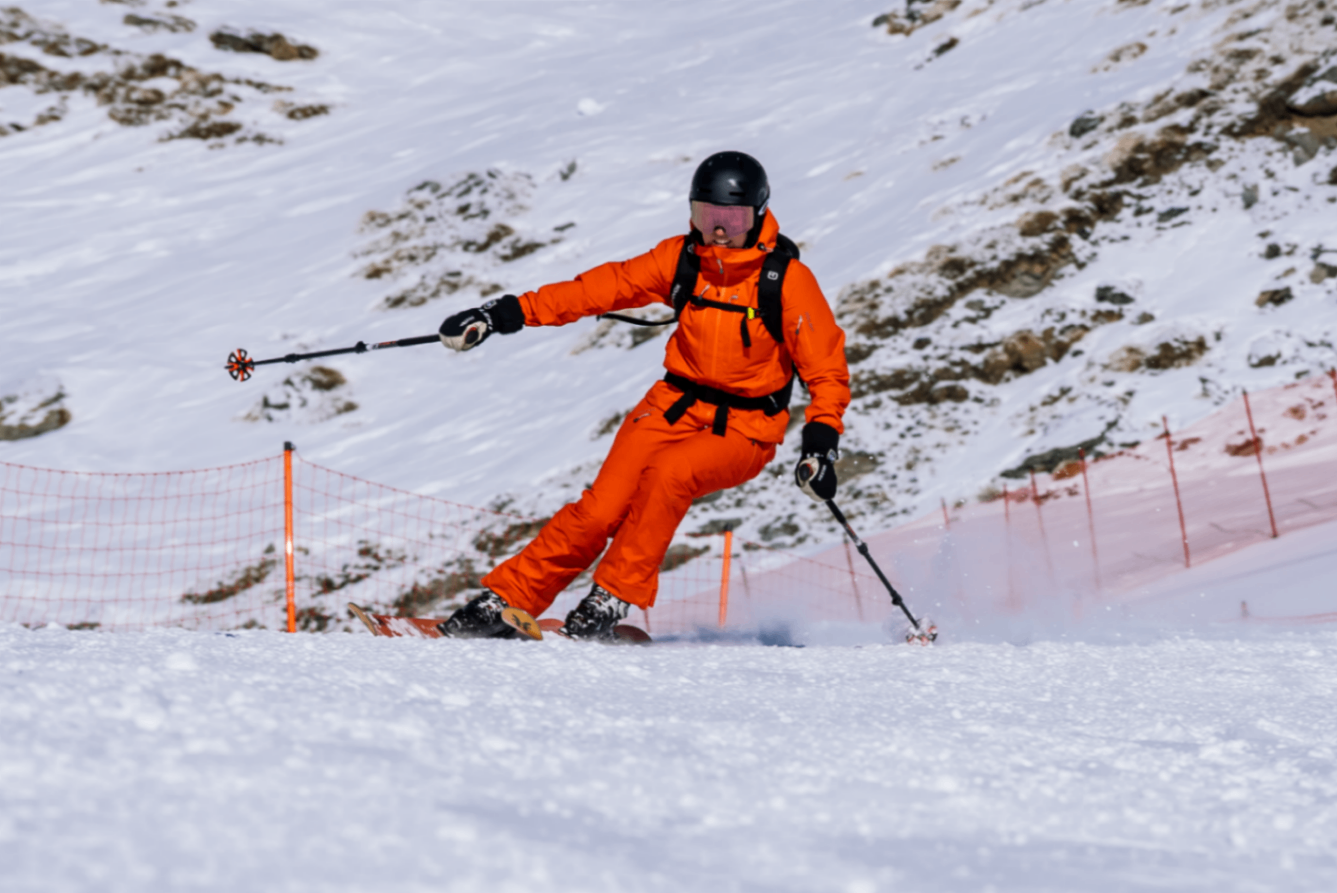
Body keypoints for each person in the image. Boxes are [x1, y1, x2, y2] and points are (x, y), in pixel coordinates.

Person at [435, 151, 850, 639]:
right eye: (706, 215)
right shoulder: (681, 260)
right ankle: (507, 599)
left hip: (745, 428)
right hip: (671, 405)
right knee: (599, 510)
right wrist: (506, 313)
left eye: (732, 218)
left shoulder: (785, 281)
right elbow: (599, 288)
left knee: (670, 474)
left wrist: (820, 445)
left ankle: (610, 598)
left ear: (758, 214)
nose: (718, 230)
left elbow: (826, 370)